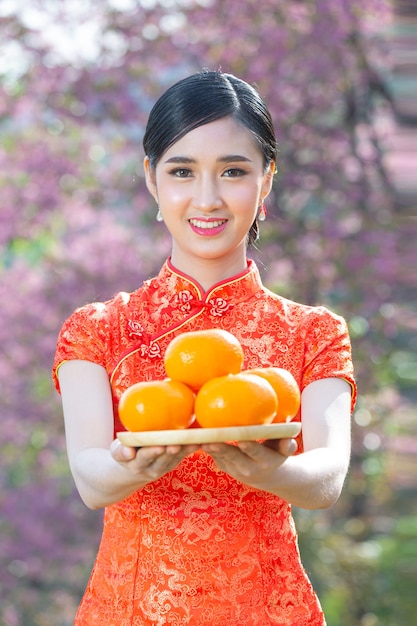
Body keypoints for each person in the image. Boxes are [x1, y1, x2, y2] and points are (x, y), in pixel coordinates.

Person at [53, 70, 356, 625]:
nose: (207, 198)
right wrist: (139, 466)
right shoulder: (97, 328)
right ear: (152, 179)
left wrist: (268, 473)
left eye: (234, 171)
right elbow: (92, 479)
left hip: (269, 610)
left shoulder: (314, 331)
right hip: (130, 611)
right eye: (182, 171)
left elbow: (328, 477)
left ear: (266, 181)